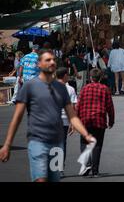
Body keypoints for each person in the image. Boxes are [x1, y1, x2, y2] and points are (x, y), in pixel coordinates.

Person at [0, 49, 96, 182]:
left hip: (56, 144)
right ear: (38, 64)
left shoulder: (61, 88)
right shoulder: (29, 87)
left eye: (53, 60)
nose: (52, 62)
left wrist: (86, 134)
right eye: (48, 60)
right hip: (37, 141)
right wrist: (7, 144)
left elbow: (72, 116)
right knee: (41, 179)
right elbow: (17, 117)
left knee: (53, 179)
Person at [77, 68, 115, 177]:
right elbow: (110, 107)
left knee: (84, 142)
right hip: (100, 120)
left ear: (90, 77)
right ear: (101, 78)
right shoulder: (105, 89)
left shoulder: (84, 88)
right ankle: (95, 171)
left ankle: (87, 163)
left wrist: (76, 120)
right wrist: (111, 120)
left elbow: (78, 105)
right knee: (97, 145)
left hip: (85, 119)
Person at [56, 67, 77, 176]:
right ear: (65, 76)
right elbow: (73, 107)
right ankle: (60, 169)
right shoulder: (70, 89)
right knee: (62, 143)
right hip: (64, 120)